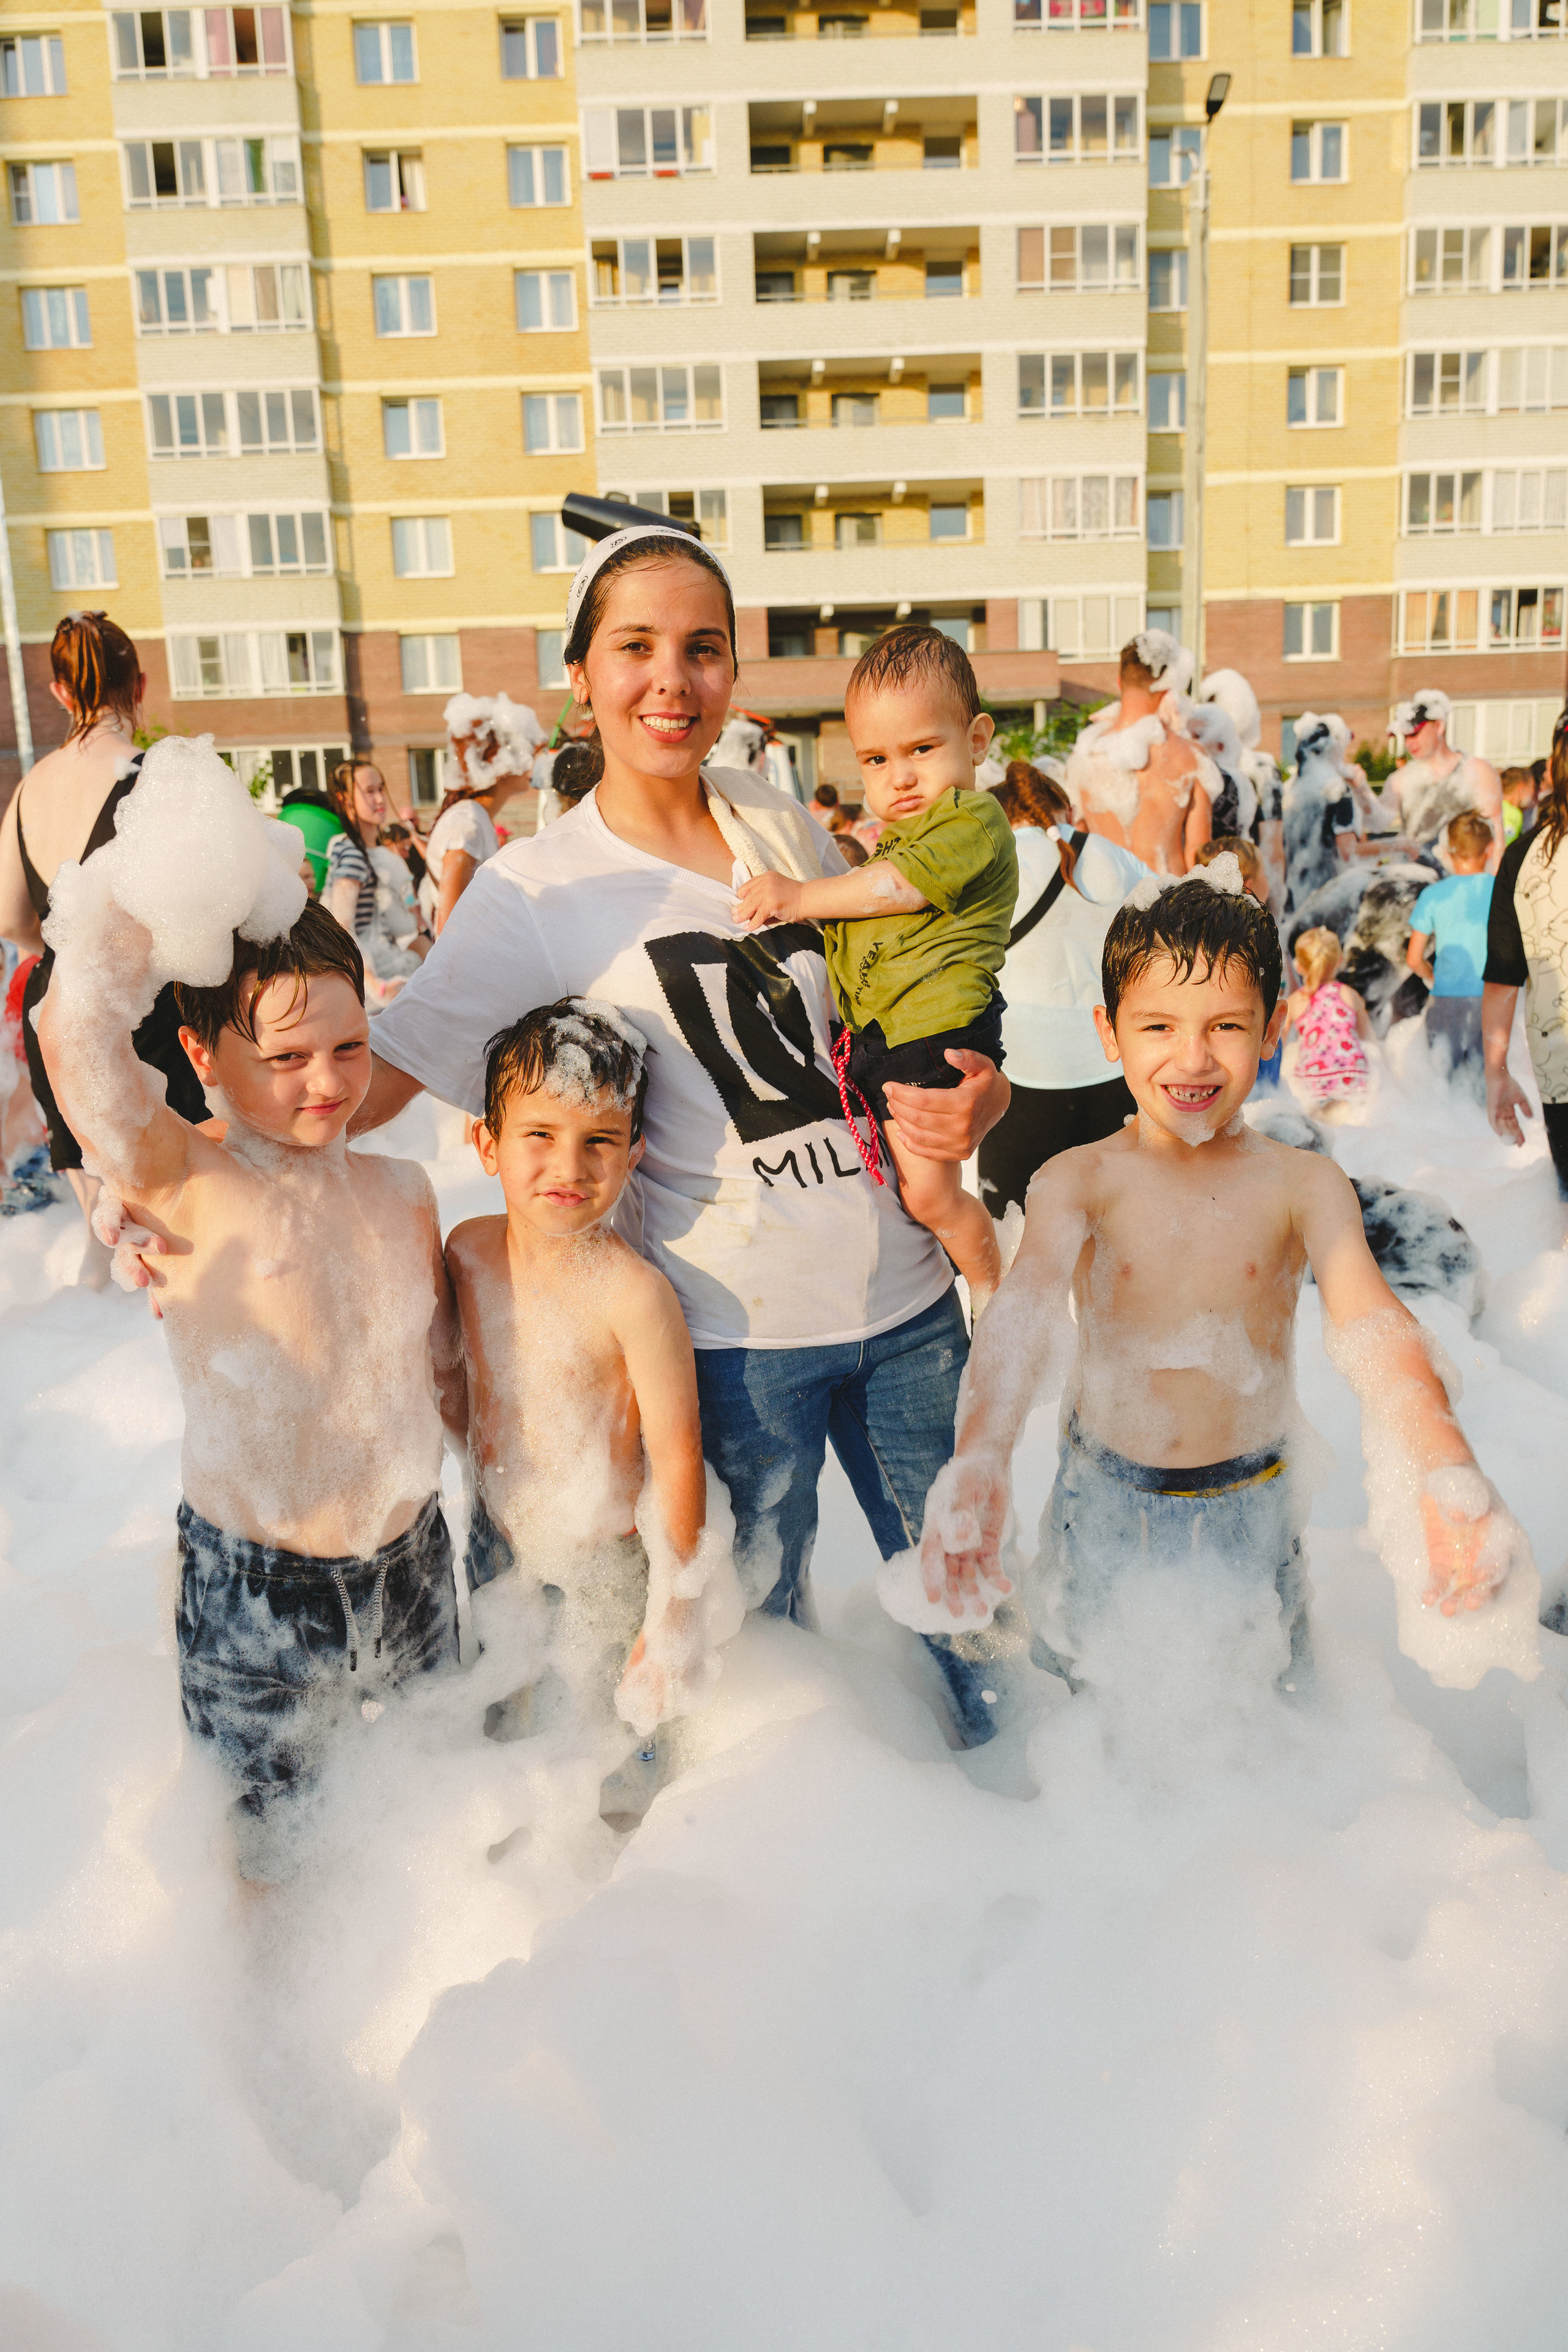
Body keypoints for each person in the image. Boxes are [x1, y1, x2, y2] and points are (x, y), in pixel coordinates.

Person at [351, 521, 1010, 1746]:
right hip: (733, 1343)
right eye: (636, 647)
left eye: (702, 650)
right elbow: (375, 1080)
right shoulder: (534, 891)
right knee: (762, 1682)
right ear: (581, 674)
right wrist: (209, 1161)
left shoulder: (777, 823)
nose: (672, 680)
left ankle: (1031, 1887)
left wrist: (986, 1101)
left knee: (985, 1646)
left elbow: (897, 1013)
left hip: (910, 1308)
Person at [918, 869, 1529, 1693]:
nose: (1193, 1057)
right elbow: (1023, 1312)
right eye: (1158, 1026)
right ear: (1109, 1031)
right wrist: (981, 1455)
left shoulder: (1302, 1184)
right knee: (1090, 1692)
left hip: (1255, 1494)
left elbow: (1373, 1325)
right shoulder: (1080, 1179)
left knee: (1266, 1697)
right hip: (1104, 1491)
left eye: (1228, 1025)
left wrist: (1446, 1465)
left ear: (1274, 1026)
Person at [37, 867, 466, 1871]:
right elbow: (74, 1044)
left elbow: (446, 1378)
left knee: (440, 1808)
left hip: (413, 1562)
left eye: (350, 1047)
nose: (327, 1082)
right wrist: (174, 880)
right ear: (203, 1055)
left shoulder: (403, 1190)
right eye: (286, 1058)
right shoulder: (187, 1178)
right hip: (258, 1588)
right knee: (267, 1852)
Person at [447, 1000, 737, 1793]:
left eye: (599, 1142)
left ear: (634, 1152)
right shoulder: (468, 1252)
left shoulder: (633, 1295)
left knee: (610, 1750)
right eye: (539, 1136)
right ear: (486, 1143)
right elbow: (444, 1374)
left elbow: (678, 1454)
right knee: (503, 1721)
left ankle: (618, 1856)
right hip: (496, 1537)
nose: (568, 1167)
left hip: (605, 1561)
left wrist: (674, 1613)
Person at [734, 625, 1017, 1314]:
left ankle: (994, 1292)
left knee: (930, 1193)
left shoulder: (971, 822)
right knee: (901, 1185)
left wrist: (801, 898)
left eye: (923, 749)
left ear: (976, 741)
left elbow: (897, 889)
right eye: (877, 760)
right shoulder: (902, 833)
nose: (901, 776)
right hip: (887, 1037)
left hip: (934, 1030)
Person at [0, 612, 209, 1284]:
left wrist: (62, 949)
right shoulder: (156, 780)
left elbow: (9, 917)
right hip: (143, 1012)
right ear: (139, 683)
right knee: (176, 1238)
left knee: (105, 1236)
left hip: (55, 1009)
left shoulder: (30, 788)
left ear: (60, 693)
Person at [976, 758, 1147, 1218]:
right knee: (1119, 1241)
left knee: (1015, 1243)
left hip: (1022, 1073)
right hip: (1115, 1067)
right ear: (1064, 810)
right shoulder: (1114, 857)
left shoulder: (990, 863)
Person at [1483, 709, 1568, 1203]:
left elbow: (1502, 978)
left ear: (1551, 773)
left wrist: (1496, 1073)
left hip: (1561, 1069)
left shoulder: (1524, 857)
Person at [1066, 632, 1216, 876]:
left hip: (1109, 906)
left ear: (1119, 682)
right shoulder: (1191, 757)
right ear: (1168, 687)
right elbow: (1198, 853)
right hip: (1170, 903)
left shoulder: (1084, 757)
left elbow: (1077, 849)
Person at [424, 693, 545, 933]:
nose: (532, 759)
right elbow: (449, 931)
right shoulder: (467, 823)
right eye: (522, 749)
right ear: (496, 761)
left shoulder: (474, 817)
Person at [1406, 811, 1494, 1089]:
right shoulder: (1503, 890)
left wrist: (1431, 976)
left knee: (1443, 1083)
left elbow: (1413, 959)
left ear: (1448, 852)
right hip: (1492, 997)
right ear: (1489, 849)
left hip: (1445, 997)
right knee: (1486, 1080)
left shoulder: (1434, 894)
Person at [323, 761, 427, 994]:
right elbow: (342, 928)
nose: (380, 799)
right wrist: (374, 986)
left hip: (377, 964)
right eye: (369, 791)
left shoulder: (364, 852)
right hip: (371, 978)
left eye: (381, 789)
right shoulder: (353, 854)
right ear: (344, 800)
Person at [1384, 692, 1504, 875]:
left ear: (1439, 726)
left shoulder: (1476, 770)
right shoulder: (1402, 778)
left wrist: (1492, 891)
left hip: (1463, 885)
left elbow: (1495, 842)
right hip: (1416, 884)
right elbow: (1378, 821)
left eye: (1415, 734)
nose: (1409, 743)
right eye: (1406, 737)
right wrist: (1359, 790)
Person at [1286, 925, 1373, 1120]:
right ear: (1340, 962)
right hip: (1354, 1075)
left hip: (1313, 1081)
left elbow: (1275, 1047)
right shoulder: (1350, 995)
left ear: (1298, 966)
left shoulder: (1295, 1001)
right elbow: (1369, 1039)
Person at [1499, 766, 1536, 845]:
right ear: (1521, 787)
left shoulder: (1496, 807)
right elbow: (1507, 846)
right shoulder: (1514, 814)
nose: (1533, 793)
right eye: (1532, 787)